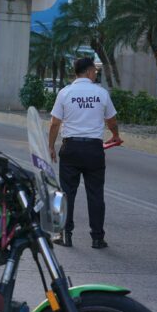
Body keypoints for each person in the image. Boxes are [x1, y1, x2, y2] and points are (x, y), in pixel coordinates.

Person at [48, 57, 120, 249]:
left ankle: (65, 235)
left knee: (67, 193)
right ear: (88, 72)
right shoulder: (101, 93)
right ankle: (97, 238)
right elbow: (111, 120)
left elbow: (55, 123)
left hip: (71, 149)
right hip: (94, 150)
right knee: (95, 194)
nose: (96, 74)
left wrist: (50, 146)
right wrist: (115, 135)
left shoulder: (65, 93)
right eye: (95, 71)